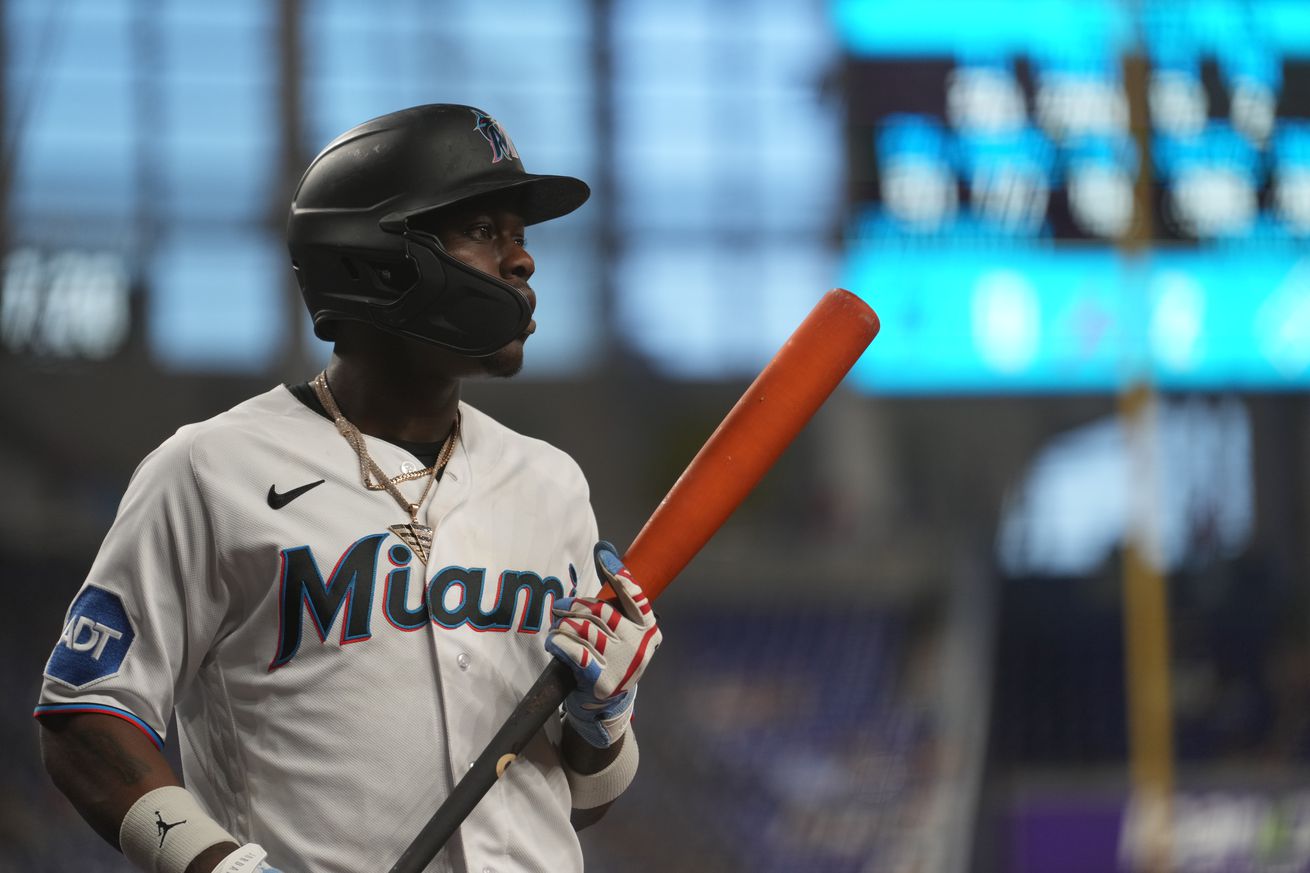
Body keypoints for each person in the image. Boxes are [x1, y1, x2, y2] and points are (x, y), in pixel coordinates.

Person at [34, 103, 661, 873]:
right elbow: (85, 715)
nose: (522, 261)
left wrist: (605, 724)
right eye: (485, 231)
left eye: (522, 237)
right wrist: (215, 864)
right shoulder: (208, 468)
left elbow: (574, 799)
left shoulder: (551, 482)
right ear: (377, 254)